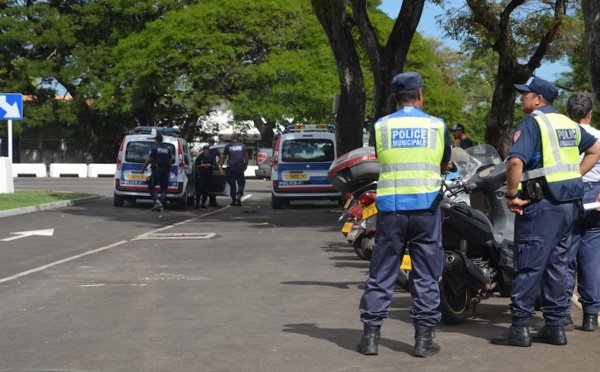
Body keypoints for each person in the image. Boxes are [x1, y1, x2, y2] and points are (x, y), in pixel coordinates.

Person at [491, 77, 600, 347]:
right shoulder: (567, 123)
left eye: (525, 95)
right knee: (557, 266)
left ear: (538, 99)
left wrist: (512, 195)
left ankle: (519, 327)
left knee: (529, 265)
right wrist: (574, 176)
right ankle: (554, 326)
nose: (521, 99)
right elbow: (595, 149)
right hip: (569, 206)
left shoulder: (532, 122)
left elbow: (516, 161)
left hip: (541, 206)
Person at [357, 71, 451, 358]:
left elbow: (382, 157)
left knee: (382, 273)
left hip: (392, 210)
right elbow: (445, 160)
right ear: (420, 94)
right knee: (425, 275)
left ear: (396, 97)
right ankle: (423, 340)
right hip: (425, 211)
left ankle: (371, 338)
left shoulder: (382, 126)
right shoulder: (437, 126)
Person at [563, 93, 600, 331]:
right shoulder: (599, 136)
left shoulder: (564, 136)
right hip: (596, 197)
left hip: (568, 195)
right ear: (590, 113)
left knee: (564, 256)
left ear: (567, 113)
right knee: (591, 259)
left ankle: (563, 314)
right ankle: (590, 316)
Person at [141, 133, 173, 212]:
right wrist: (168, 172)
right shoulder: (167, 149)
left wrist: (143, 169)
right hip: (165, 170)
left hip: (157, 170)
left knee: (151, 185)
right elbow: (170, 162)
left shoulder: (154, 149)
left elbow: (148, 160)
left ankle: (157, 201)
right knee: (163, 188)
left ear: (156, 140)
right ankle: (162, 203)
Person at [218, 133, 249, 206]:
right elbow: (246, 156)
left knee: (232, 184)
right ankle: (239, 194)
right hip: (240, 167)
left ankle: (234, 200)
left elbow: (224, 157)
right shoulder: (242, 146)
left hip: (231, 167)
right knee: (241, 183)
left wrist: (220, 166)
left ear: (231, 138)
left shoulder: (228, 146)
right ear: (237, 138)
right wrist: (246, 164)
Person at [194, 145, 218, 209]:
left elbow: (214, 166)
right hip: (201, 174)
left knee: (206, 190)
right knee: (199, 189)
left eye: (207, 149)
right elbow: (196, 166)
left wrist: (209, 165)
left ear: (209, 150)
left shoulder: (211, 157)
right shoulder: (200, 157)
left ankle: (203, 203)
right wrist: (202, 165)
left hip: (208, 174)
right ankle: (197, 203)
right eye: (204, 149)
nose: (205, 151)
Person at [207, 138, 222, 207]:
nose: (211, 143)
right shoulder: (206, 149)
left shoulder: (215, 149)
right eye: (210, 142)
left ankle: (213, 200)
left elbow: (220, 156)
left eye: (212, 142)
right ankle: (210, 200)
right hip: (207, 168)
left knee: (214, 184)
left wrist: (219, 163)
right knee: (208, 184)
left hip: (213, 167)